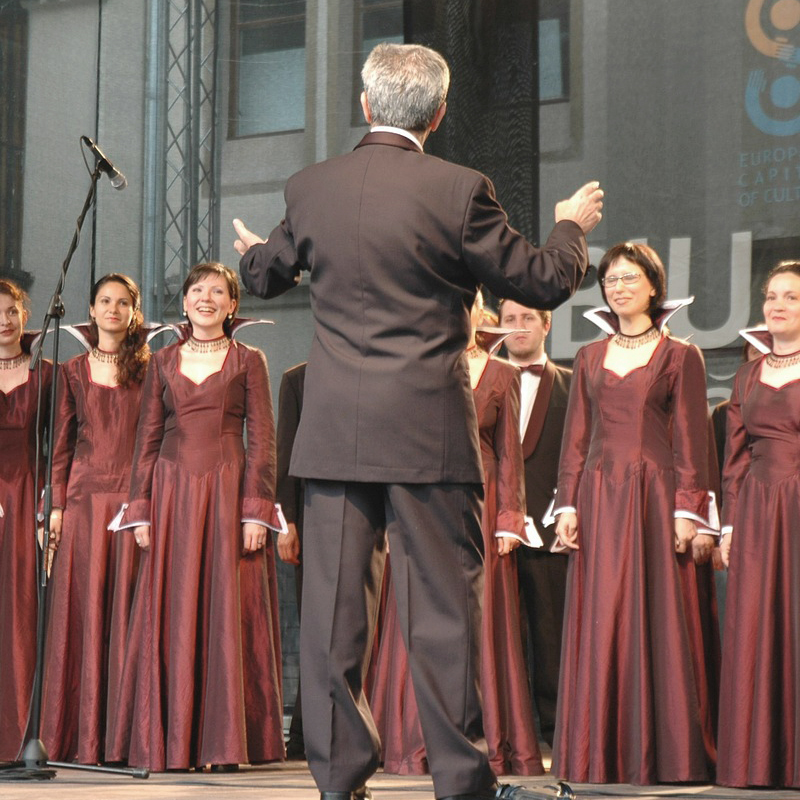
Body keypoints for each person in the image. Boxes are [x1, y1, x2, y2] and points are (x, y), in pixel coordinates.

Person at [233, 42, 602, 800]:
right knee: (441, 614)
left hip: (334, 436)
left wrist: (252, 255)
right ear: (437, 113)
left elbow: (265, 274)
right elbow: (541, 278)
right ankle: (461, 782)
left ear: (365, 106)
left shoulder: (311, 186)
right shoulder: (460, 189)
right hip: (429, 435)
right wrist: (569, 225)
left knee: (333, 622)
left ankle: (340, 783)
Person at [105, 262, 285, 771]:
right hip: (171, 494)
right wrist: (140, 510)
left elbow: (263, 442)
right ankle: (173, 739)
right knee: (175, 606)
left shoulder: (250, 360)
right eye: (197, 290)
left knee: (225, 608)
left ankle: (221, 744)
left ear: (232, 306)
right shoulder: (161, 361)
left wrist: (256, 511)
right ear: (183, 302)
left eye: (219, 292)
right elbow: (147, 441)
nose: (207, 297)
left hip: (229, 491)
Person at [551, 242, 717, 785]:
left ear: (653, 285)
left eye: (629, 277)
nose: (618, 286)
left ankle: (662, 751)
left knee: (658, 616)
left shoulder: (680, 355)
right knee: (603, 614)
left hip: (654, 496)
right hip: (599, 497)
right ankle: (599, 750)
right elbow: (576, 438)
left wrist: (687, 511)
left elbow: (694, 440)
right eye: (610, 279)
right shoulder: (588, 358)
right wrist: (568, 504)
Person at [370, 293, 542, 777]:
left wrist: (510, 518)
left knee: (480, 621)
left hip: (482, 507)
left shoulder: (502, 373)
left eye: (464, 304)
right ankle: (412, 739)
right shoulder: (415, 366)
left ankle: (483, 741)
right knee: (418, 612)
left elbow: (510, 456)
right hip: (419, 501)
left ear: (477, 313)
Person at [37, 274, 149, 764]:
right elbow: (58, 447)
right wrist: (54, 508)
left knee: (128, 613)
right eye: (105, 300)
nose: (113, 309)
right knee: (81, 613)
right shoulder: (72, 371)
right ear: (91, 307)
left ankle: (123, 738)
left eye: (122, 303)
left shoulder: (151, 368)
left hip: (130, 502)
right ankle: (78, 737)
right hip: (82, 504)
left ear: (133, 312)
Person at [717, 261, 800, 788]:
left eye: (791, 297)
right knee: (753, 625)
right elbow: (735, 459)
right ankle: (758, 759)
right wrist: (728, 525)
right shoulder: (747, 374)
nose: (777, 304)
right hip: (754, 512)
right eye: (772, 296)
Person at [497, 299, 570, 749]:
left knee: (551, 634)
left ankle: (555, 730)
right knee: (495, 639)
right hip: (490, 531)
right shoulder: (477, 379)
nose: (519, 327)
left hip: (547, 528)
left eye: (528, 319)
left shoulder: (573, 383)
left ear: (547, 324)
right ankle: (502, 729)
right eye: (510, 320)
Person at [0, 279, 52, 762]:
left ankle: (23, 734)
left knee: (24, 610)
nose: (4, 320)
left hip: (31, 497)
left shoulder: (49, 374)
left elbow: (61, 445)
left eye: (12, 311)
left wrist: (51, 506)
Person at [275, 360, 307, 760]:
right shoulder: (297, 378)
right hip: (313, 515)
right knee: (315, 628)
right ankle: (304, 735)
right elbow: (285, 455)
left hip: (380, 515)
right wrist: (288, 521)